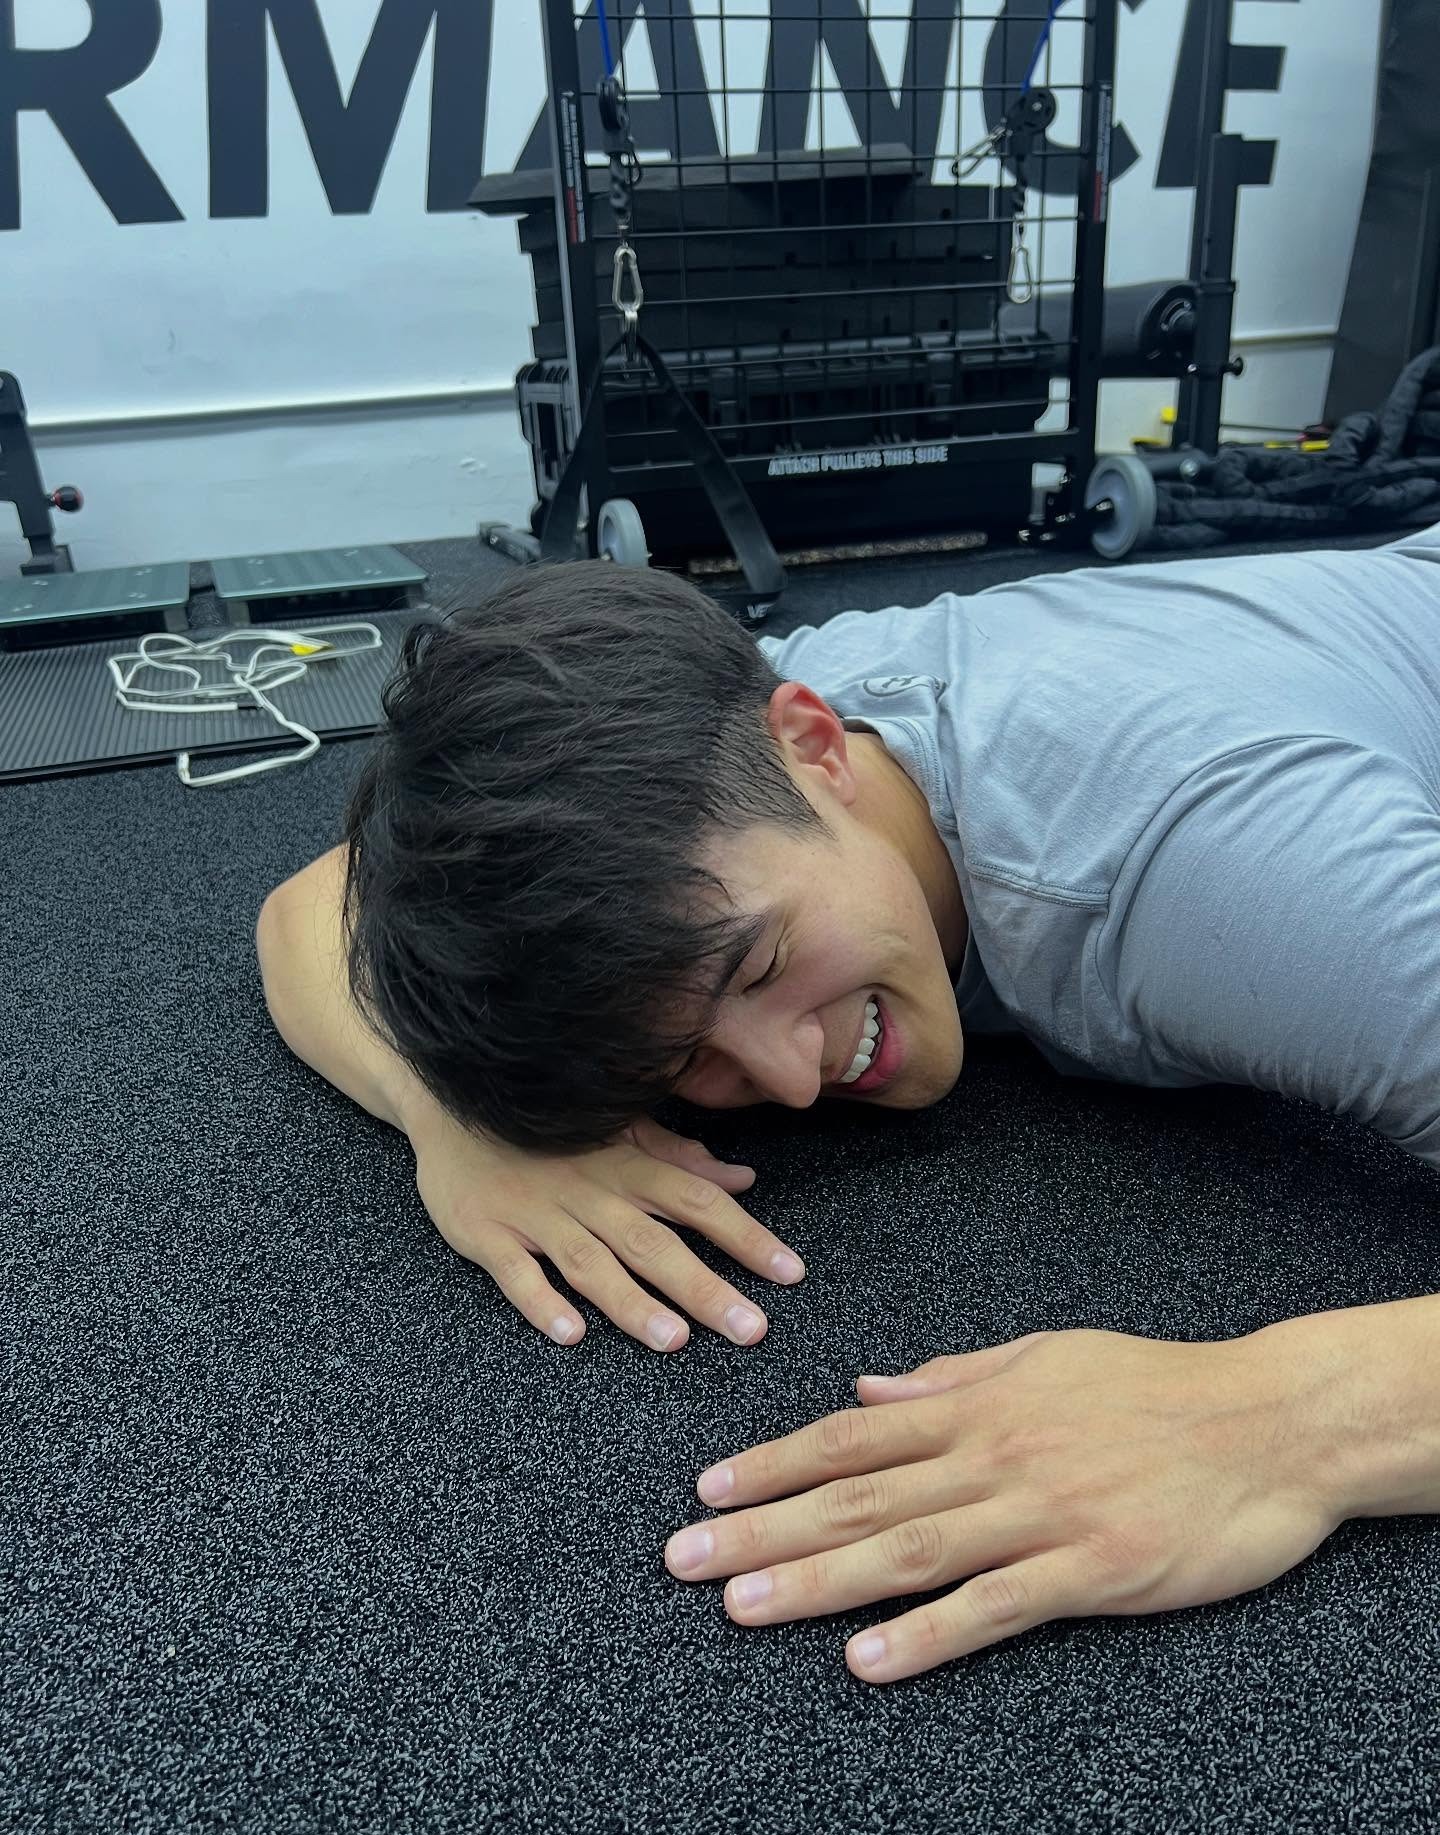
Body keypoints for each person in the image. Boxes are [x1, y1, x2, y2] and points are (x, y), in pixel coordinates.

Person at [255, 531, 1440, 1683]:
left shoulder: (1225, 889)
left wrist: (1273, 1424)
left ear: (817, 746)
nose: (785, 1080)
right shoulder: (717, 738)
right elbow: (315, 903)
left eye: (760, 969)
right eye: (683, 1062)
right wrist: (462, 1118)